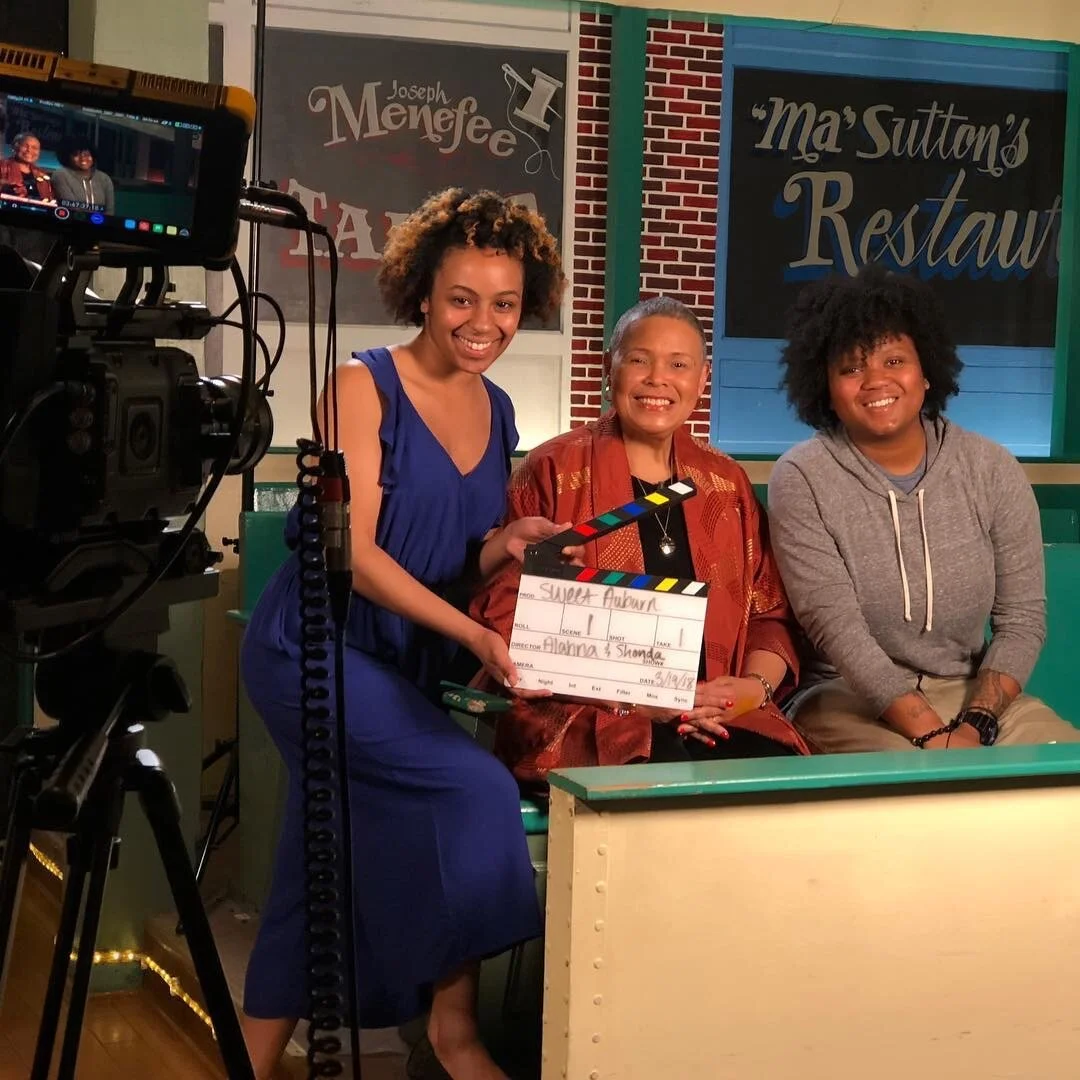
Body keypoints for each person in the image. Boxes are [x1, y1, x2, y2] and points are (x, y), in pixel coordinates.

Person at [239, 189, 567, 1080]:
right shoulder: (359, 384)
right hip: (314, 649)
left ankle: (244, 1057)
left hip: (404, 663)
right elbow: (355, 557)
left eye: (504, 303)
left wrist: (505, 546)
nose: (483, 322)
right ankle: (455, 1036)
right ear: (423, 293)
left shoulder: (499, 412)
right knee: (475, 792)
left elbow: (449, 559)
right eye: (463, 298)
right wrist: (478, 633)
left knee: (317, 856)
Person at [471, 297, 809, 790]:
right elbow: (507, 617)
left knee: (776, 778)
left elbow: (769, 615)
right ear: (611, 370)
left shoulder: (726, 483)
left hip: (718, 711)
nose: (657, 379)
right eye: (638, 359)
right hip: (586, 710)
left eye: (678, 364)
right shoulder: (554, 469)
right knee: (657, 772)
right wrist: (638, 699)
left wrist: (750, 690)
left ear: (702, 378)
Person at [767, 264, 1080, 753]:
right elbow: (836, 629)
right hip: (843, 695)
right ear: (825, 387)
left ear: (927, 371)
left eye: (894, 361)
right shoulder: (803, 476)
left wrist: (976, 724)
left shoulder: (991, 467)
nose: (875, 381)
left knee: (1062, 772)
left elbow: (1021, 620)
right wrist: (932, 736)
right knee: (914, 787)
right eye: (851, 368)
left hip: (972, 695)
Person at [50, 140, 115, 215]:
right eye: (76, 155)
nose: (83, 158)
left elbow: (110, 212)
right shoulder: (60, 174)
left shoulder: (105, 178)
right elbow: (71, 208)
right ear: (67, 157)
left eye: (87, 154)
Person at [0, 133, 54, 203]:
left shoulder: (43, 175)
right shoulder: (2, 166)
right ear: (15, 147)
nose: (29, 150)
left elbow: (49, 201)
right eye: (25, 146)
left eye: (34, 148)